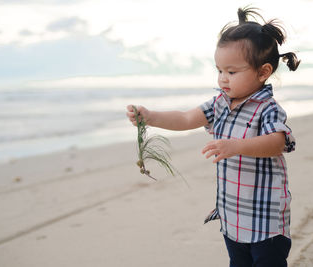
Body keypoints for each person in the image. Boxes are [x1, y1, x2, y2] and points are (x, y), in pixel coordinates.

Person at [126, 6, 300, 267]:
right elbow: (185, 118)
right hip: (233, 216)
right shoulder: (220, 103)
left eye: (232, 72)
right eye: (219, 70)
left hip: (266, 220)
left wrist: (236, 146)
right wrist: (150, 116)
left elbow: (276, 143)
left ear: (263, 72)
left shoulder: (268, 108)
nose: (222, 79)